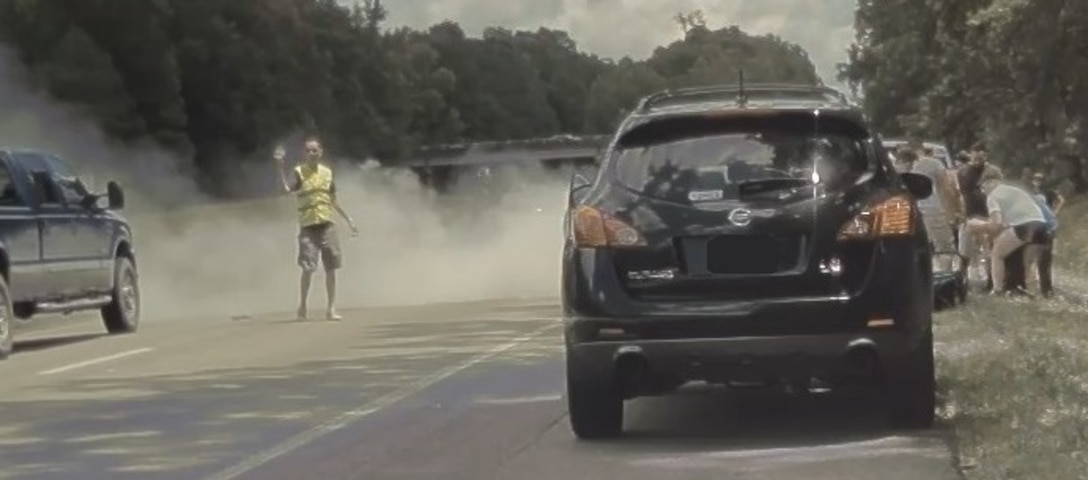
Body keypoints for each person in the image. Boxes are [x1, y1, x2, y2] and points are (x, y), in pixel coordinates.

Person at [274, 137, 359, 321]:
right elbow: (287, 189)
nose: (312, 153)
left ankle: (331, 308)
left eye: (315, 150)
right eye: (308, 151)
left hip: (327, 223)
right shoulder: (299, 172)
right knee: (308, 267)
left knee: (331, 267)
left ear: (321, 152)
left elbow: (333, 200)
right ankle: (303, 306)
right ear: (304, 154)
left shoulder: (327, 173)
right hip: (308, 225)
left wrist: (348, 219)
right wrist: (280, 167)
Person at [967, 169, 1048, 297]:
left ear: (989, 182)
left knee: (997, 254)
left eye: (983, 187)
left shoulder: (993, 196)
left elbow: (996, 224)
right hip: (1042, 225)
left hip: (1024, 225)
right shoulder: (1015, 190)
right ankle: (1034, 294)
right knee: (1029, 263)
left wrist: (978, 225)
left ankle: (997, 290)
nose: (984, 191)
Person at [955, 145, 1003, 288]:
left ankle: (991, 281)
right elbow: (960, 194)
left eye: (980, 157)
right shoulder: (963, 171)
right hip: (969, 215)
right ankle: (961, 279)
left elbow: (1000, 191)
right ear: (971, 155)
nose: (977, 160)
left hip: (988, 214)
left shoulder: (993, 171)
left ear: (985, 156)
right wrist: (959, 212)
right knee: (964, 251)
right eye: (975, 157)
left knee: (989, 250)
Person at [1030, 172, 1063, 297]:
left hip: (1046, 224)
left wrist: (1055, 212)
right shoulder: (1032, 191)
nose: (1037, 181)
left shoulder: (1047, 191)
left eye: (1039, 180)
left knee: (1044, 258)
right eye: (1035, 179)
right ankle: (1039, 286)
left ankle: (1046, 288)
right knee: (1038, 258)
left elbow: (1061, 200)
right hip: (1038, 223)